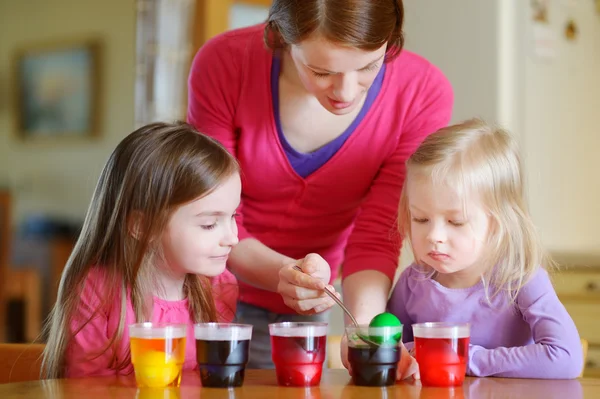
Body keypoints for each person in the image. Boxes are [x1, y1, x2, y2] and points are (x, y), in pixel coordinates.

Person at [187, 0, 453, 370]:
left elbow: (377, 233)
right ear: (281, 37)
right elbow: (208, 216)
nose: (345, 92)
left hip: (314, 297)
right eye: (321, 70)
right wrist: (282, 272)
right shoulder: (225, 64)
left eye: (368, 67)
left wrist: (362, 332)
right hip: (209, 291)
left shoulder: (421, 93)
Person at [41, 122, 241, 378]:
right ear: (142, 225)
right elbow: (84, 389)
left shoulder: (219, 287)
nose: (233, 237)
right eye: (209, 224)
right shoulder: (97, 291)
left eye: (233, 215)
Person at [388, 119, 583, 378]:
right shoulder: (412, 283)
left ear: (499, 223)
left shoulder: (521, 280)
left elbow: (565, 358)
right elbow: (393, 352)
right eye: (421, 219)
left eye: (455, 222)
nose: (434, 236)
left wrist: (463, 359)